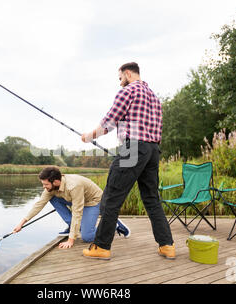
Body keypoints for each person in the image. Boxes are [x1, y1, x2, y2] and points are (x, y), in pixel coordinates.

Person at [81, 62, 175, 260]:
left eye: (120, 77)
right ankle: (167, 245)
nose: (120, 81)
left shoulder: (129, 91)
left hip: (133, 147)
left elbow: (110, 120)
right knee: (152, 199)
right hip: (152, 150)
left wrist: (90, 136)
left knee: (111, 198)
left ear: (128, 73)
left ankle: (101, 247)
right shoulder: (155, 98)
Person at [12, 166, 130, 249]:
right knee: (52, 198)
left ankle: (113, 226)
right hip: (74, 199)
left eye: (46, 184)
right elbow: (38, 205)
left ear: (56, 182)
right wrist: (21, 224)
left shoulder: (74, 186)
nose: (44, 187)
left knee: (87, 236)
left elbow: (77, 212)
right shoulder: (50, 188)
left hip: (93, 202)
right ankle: (71, 226)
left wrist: (71, 240)